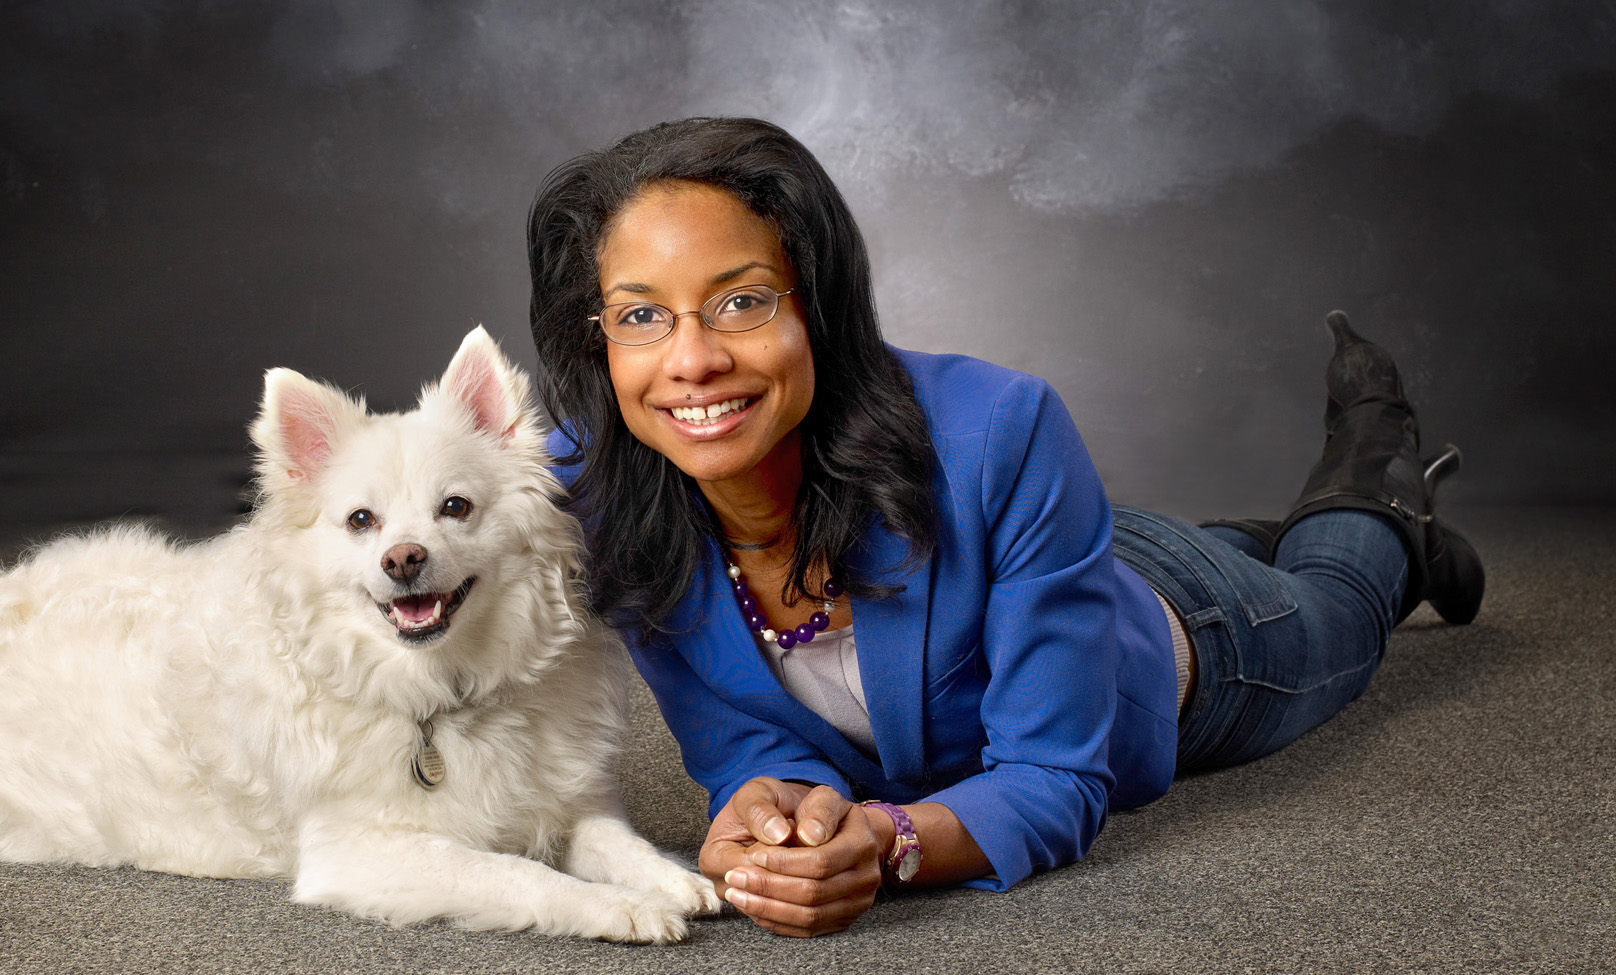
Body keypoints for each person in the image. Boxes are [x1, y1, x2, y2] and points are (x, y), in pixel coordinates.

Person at [524, 117, 1485, 938]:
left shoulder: (1001, 429)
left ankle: (1379, 470)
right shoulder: (586, 484)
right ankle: (1246, 532)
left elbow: (1058, 776)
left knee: (1347, 597)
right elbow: (740, 737)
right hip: (1058, 548)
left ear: (817, 303)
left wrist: (890, 843)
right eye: (641, 314)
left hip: (1190, 640)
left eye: (741, 301)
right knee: (1173, 547)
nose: (690, 360)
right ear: (594, 337)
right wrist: (772, 806)